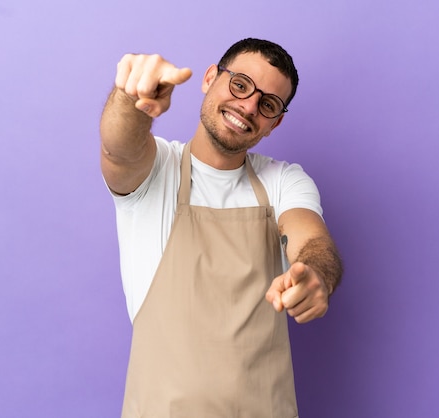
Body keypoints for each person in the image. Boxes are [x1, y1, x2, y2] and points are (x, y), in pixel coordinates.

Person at [100, 38, 343, 418]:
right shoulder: (156, 171)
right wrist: (132, 98)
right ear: (211, 77)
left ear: (275, 122)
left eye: (267, 104)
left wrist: (315, 275)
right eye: (240, 84)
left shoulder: (283, 181)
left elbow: (311, 239)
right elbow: (120, 148)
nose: (248, 106)